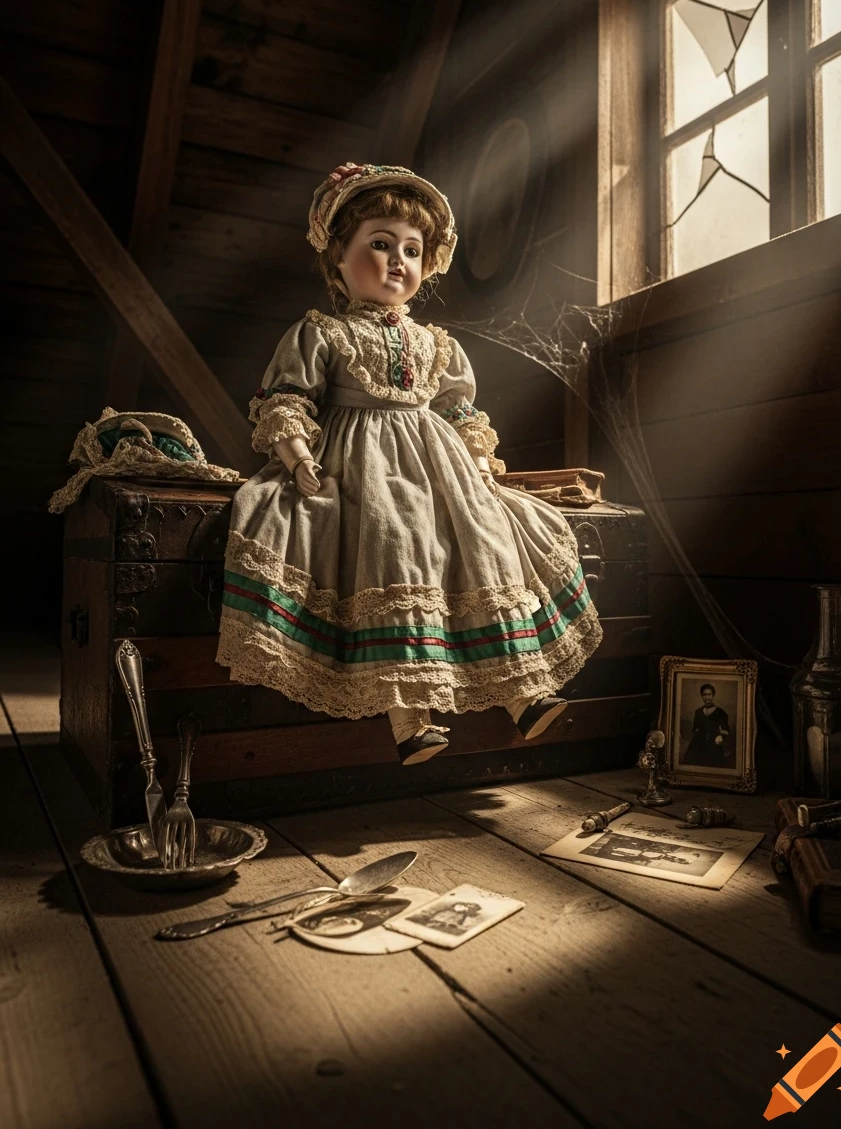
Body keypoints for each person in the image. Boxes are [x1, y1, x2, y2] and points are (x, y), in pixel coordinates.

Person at [215, 162, 603, 765]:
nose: (399, 260)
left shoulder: (437, 343)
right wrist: (295, 457)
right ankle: (408, 715)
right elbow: (287, 399)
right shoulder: (322, 332)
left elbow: (457, 410)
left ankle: (524, 689)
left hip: (438, 464)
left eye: (413, 250)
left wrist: (476, 464)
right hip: (362, 460)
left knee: (486, 541)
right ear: (337, 258)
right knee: (393, 550)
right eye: (379, 243)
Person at [683, 683, 734, 768]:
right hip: (698, 745)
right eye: (704, 695)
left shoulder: (720, 712)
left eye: (709, 695)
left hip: (713, 744)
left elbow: (726, 730)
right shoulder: (698, 712)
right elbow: (695, 728)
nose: (707, 697)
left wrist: (720, 736)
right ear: (702, 696)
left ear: (713, 695)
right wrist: (698, 731)